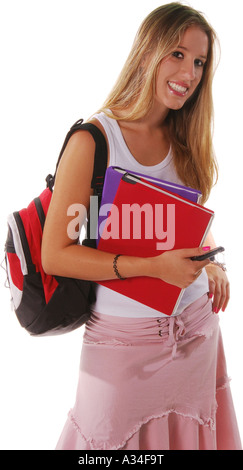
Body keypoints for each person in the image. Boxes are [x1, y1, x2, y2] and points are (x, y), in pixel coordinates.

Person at [41, 2, 242, 450]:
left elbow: (189, 218)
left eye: (199, 62)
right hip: (120, 345)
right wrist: (155, 268)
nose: (189, 73)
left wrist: (211, 261)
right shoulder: (93, 139)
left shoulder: (184, 136)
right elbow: (55, 254)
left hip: (196, 331)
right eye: (177, 54)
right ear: (148, 51)